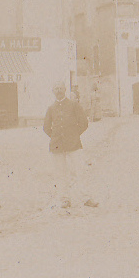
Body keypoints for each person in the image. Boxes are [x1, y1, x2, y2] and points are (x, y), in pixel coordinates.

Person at [43, 81, 99, 209]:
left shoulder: (74, 105)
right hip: (57, 145)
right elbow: (46, 127)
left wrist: (74, 135)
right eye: (56, 88)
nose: (58, 91)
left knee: (80, 171)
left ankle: (86, 198)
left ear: (65, 89)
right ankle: (64, 199)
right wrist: (56, 137)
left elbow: (84, 123)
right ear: (53, 91)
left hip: (74, 144)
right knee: (60, 173)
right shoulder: (51, 108)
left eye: (60, 88)